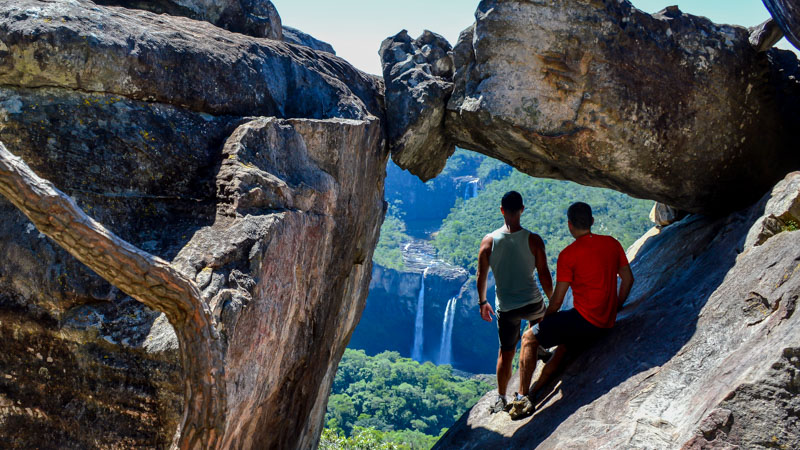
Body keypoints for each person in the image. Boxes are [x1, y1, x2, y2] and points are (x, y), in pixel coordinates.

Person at [507, 201, 635, 419]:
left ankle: (521, 398)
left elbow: (557, 301)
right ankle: (535, 393)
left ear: (569, 226)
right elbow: (628, 279)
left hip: (584, 321)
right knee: (562, 351)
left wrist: (543, 325)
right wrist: (615, 307)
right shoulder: (612, 244)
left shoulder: (569, 255)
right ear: (592, 222)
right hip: (603, 323)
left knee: (529, 338)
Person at [476, 191, 554, 414]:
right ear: (522, 209)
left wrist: (482, 302)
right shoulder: (534, 240)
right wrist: (553, 302)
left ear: (502, 210)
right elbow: (544, 275)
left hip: (506, 308)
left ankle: (501, 397)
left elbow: (481, 275)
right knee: (536, 326)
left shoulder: (489, 241)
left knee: (506, 352)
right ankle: (537, 348)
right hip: (532, 302)